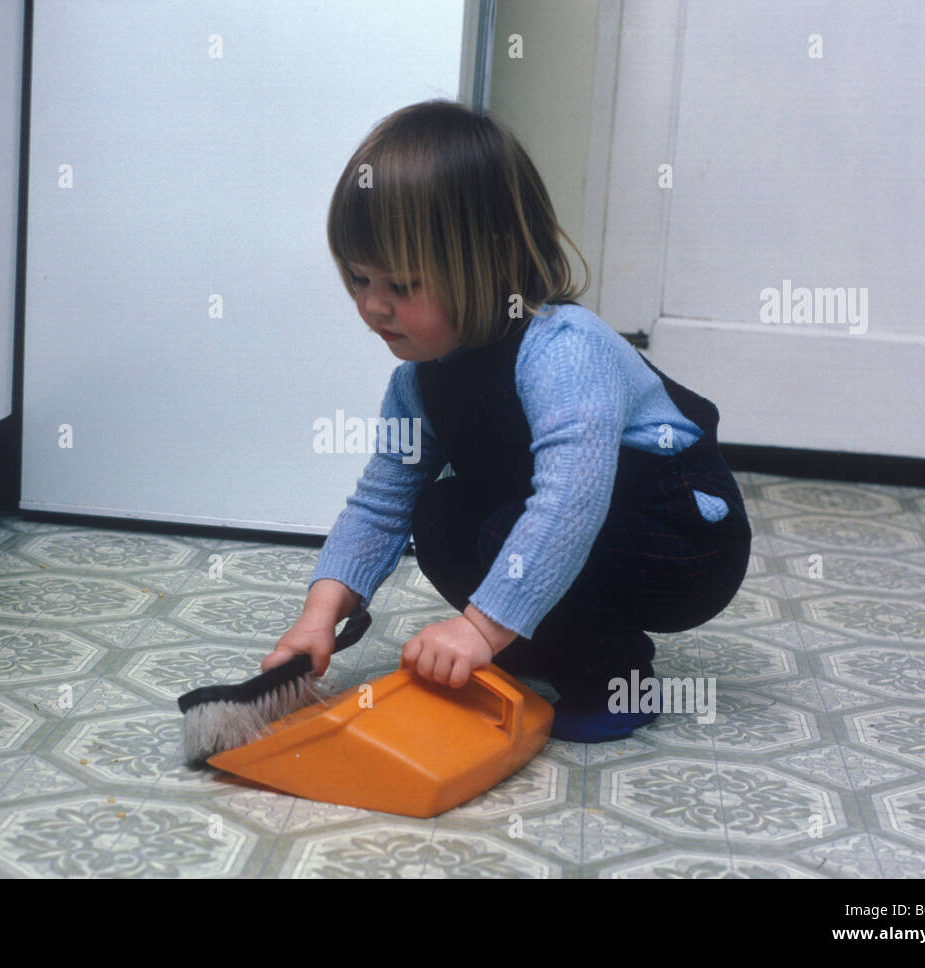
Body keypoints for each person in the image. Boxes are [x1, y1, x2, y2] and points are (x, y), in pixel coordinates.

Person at [260, 100, 751, 741]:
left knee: (507, 528)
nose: (373, 307)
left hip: (683, 537)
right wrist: (318, 616)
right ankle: (549, 644)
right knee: (437, 515)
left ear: (487, 264)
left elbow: (571, 503)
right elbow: (379, 503)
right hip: (573, 524)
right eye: (358, 278)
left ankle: (615, 676)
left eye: (401, 286)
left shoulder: (564, 348)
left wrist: (479, 626)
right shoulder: (418, 382)